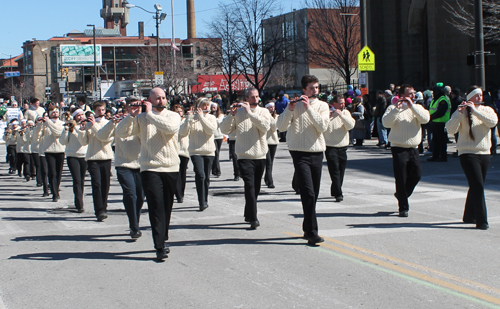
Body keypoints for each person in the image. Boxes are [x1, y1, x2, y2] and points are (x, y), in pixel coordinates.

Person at [116, 87, 181, 261]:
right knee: (155, 206)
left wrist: (149, 114)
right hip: (149, 168)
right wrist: (131, 115)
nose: (161, 100)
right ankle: (159, 246)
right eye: (157, 98)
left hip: (171, 167)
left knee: (167, 207)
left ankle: (163, 236)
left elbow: (169, 129)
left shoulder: (173, 116)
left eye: (163, 98)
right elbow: (121, 133)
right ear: (149, 100)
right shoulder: (141, 118)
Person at [277, 75, 329, 245]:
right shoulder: (294, 105)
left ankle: (307, 228)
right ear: (304, 90)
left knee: (314, 193)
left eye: (317, 87)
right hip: (299, 152)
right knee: (308, 192)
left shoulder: (322, 106)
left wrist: (309, 109)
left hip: (317, 151)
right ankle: (313, 232)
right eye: (312, 88)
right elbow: (281, 127)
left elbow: (322, 127)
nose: (315, 91)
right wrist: (289, 109)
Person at [445, 86, 498, 230]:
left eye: (481, 95)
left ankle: (469, 215)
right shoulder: (461, 112)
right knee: (477, 185)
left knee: (476, 185)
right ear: (469, 98)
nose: (479, 98)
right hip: (467, 153)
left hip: (484, 152)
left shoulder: (487, 110)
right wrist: (458, 113)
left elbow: (492, 122)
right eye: (476, 96)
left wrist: (475, 111)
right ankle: (482, 220)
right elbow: (450, 129)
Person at [221, 88, 271, 230]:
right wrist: (231, 115)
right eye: (252, 97)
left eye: (257, 97)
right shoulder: (238, 112)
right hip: (243, 155)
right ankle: (254, 218)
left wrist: (250, 113)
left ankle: (248, 212)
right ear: (246, 99)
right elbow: (225, 130)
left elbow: (265, 126)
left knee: (256, 188)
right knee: (249, 185)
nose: (255, 99)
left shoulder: (263, 112)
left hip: (260, 154)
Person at [382, 84, 430, 217]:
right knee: (401, 177)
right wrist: (396, 110)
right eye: (410, 94)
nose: (413, 96)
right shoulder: (393, 108)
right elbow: (386, 123)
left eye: (413, 94)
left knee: (417, 174)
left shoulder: (417, 108)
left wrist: (412, 106)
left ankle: (401, 194)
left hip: (413, 147)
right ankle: (403, 207)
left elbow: (425, 119)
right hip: (398, 148)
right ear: (402, 96)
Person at [110, 96, 145, 239]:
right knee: (131, 194)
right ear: (127, 108)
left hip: (141, 164)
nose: (135, 108)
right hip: (123, 164)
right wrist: (130, 117)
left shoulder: (143, 121)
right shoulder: (121, 122)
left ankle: (135, 220)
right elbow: (120, 132)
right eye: (132, 106)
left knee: (140, 198)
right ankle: (134, 226)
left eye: (138, 106)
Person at [179, 97, 217, 211]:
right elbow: (182, 133)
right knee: (200, 175)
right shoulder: (192, 118)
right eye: (203, 105)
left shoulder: (211, 118)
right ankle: (201, 201)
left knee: (206, 177)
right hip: (195, 151)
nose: (206, 107)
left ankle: (205, 198)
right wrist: (188, 119)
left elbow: (211, 130)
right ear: (198, 107)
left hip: (209, 151)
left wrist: (201, 117)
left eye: (207, 105)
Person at [84, 101, 114, 221]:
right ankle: (99, 210)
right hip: (92, 158)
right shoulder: (89, 124)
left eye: (102, 110)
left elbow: (105, 139)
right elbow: (84, 142)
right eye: (98, 110)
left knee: (105, 184)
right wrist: (83, 129)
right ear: (94, 111)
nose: (100, 112)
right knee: (96, 184)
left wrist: (94, 126)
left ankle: (104, 206)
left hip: (106, 157)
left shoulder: (108, 123)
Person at [324, 96, 355, 202]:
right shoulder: (328, 113)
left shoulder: (345, 113)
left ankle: (335, 188)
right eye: (340, 103)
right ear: (334, 104)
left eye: (343, 103)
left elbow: (350, 125)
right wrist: (329, 116)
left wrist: (341, 115)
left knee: (341, 170)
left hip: (342, 146)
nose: (343, 105)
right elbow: (322, 126)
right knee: (334, 170)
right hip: (330, 146)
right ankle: (338, 193)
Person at [59, 109, 88, 213]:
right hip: (72, 155)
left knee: (82, 179)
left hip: (83, 155)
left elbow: (85, 141)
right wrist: (66, 129)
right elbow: (62, 141)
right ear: (74, 117)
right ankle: (79, 204)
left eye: (82, 115)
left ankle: (79, 200)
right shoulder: (71, 127)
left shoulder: (85, 126)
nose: (80, 117)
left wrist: (84, 129)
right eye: (78, 115)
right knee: (77, 180)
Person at [34, 105, 65, 202]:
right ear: (49, 114)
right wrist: (39, 125)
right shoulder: (45, 124)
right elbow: (36, 137)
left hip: (60, 150)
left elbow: (58, 132)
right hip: (49, 150)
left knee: (58, 172)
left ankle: (56, 187)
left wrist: (48, 122)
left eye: (56, 112)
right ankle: (55, 193)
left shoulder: (62, 123)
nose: (55, 114)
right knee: (52, 172)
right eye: (53, 112)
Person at [427, 86, 451, 162]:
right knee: (435, 141)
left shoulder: (443, 100)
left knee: (441, 141)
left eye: (435, 92)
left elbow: (441, 112)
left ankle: (443, 156)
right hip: (434, 122)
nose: (434, 93)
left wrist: (430, 117)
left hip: (441, 123)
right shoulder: (435, 99)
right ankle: (435, 156)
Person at [173, 104, 189, 203]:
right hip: (175, 150)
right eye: (177, 112)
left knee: (183, 173)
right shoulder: (172, 122)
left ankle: (181, 192)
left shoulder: (186, 121)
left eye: (180, 111)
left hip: (185, 149)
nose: (179, 113)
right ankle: (178, 194)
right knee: (176, 173)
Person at [264, 102, 279, 189]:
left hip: (273, 141)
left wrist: (269, 116)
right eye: (270, 107)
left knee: (271, 162)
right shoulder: (264, 116)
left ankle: (267, 177)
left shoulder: (276, 117)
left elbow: (275, 127)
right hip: (265, 141)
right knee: (268, 162)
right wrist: (267, 115)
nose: (272, 109)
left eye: (273, 107)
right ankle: (270, 181)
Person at [210, 102, 224, 178]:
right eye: (212, 107)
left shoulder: (220, 115)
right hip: (212, 136)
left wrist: (214, 118)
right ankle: (216, 170)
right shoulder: (209, 115)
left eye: (214, 107)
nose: (213, 109)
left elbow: (219, 122)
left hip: (219, 136)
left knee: (217, 153)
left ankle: (215, 169)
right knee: (215, 153)